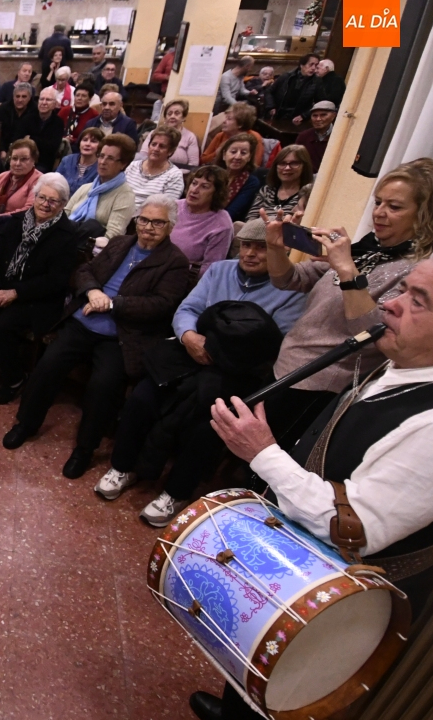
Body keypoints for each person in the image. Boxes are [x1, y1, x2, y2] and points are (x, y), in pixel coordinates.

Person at [150, 256, 433, 720]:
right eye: (405, 291)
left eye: (418, 301)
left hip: (336, 608)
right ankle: (236, 711)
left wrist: (262, 452)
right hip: (305, 575)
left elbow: (352, 528)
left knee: (284, 689)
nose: (390, 304)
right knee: (257, 658)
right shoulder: (406, 363)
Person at [94, 219, 307, 527]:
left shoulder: (291, 290)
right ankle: (123, 466)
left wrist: (219, 349)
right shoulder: (220, 270)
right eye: (246, 245)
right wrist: (188, 337)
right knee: (142, 397)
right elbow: (187, 309)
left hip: (236, 369)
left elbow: (273, 341)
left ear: (280, 251)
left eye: (261, 248)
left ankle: (175, 491)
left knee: (207, 425)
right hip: (191, 351)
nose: (250, 254)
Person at [257, 159, 433, 457]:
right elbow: (288, 279)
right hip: (289, 363)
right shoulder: (368, 249)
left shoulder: (416, 271)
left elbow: (373, 334)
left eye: (394, 207)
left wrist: (344, 267)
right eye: (378, 202)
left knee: (270, 462)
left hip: (322, 383)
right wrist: (276, 247)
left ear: (425, 213)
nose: (379, 213)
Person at [3, 194, 191, 481]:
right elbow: (84, 270)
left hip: (122, 336)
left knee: (103, 386)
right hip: (83, 322)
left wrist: (114, 303)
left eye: (157, 222)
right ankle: (26, 424)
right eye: (143, 219)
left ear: (170, 226)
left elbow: (162, 304)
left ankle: (84, 450)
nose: (148, 227)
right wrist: (93, 291)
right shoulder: (119, 244)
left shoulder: (174, 262)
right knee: (47, 366)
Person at [0, 174, 84, 403]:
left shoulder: (67, 235)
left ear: (62, 205)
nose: (45, 204)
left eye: (54, 201)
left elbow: (55, 280)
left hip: (37, 298)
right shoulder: (16, 221)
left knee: (4, 326)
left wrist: (16, 293)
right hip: (2, 289)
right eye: (42, 197)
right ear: (35, 196)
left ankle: (14, 379)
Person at [65, 132, 136, 239]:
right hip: (65, 240)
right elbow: (64, 216)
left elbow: (112, 235)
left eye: (110, 158)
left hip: (90, 250)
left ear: (123, 164)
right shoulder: (85, 188)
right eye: (101, 156)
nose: (102, 162)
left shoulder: (125, 195)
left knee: (93, 227)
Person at [174, 166, 235, 278]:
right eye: (194, 183)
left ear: (217, 193)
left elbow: (210, 269)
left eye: (204, 187)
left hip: (183, 278)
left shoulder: (222, 224)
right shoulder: (172, 206)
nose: (194, 190)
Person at [123, 125, 184, 213]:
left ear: (170, 151)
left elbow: (166, 209)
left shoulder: (174, 175)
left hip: (147, 219)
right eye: (153, 144)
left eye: (162, 146)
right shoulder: (132, 166)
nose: (156, 149)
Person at [246, 144, 313, 222]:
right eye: (282, 163)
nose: (287, 168)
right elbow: (250, 219)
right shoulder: (266, 190)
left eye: (294, 163)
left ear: (304, 167)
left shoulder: (306, 195)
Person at [0, 139, 44, 216]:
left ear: (34, 160)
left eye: (24, 159)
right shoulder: (1, 177)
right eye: (14, 158)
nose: (17, 163)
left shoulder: (40, 180)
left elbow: (29, 210)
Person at [137, 99, 199, 167]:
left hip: (181, 171)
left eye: (177, 113)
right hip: (153, 168)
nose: (172, 116)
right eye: (169, 114)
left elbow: (193, 164)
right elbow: (143, 155)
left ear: (183, 117)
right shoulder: (154, 133)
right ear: (165, 117)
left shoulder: (190, 137)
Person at [201, 101, 264, 168]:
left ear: (240, 124)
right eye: (226, 117)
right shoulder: (220, 135)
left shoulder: (255, 138)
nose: (224, 121)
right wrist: (216, 153)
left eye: (229, 119)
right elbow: (203, 160)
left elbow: (255, 165)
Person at [215, 133, 262, 223]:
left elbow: (231, 213)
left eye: (243, 153)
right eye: (233, 152)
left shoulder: (251, 182)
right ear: (224, 155)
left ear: (249, 157)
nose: (237, 157)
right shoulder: (212, 174)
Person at [268, 54, 322, 124]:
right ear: (302, 65)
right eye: (311, 65)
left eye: (316, 65)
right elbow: (269, 91)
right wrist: (271, 106)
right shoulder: (286, 76)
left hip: (298, 118)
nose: (313, 68)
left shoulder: (317, 82)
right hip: (278, 114)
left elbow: (319, 103)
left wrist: (304, 116)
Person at [0, 83, 39, 163]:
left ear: (29, 98)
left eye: (24, 97)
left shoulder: (36, 111)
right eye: (17, 96)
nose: (20, 100)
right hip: (4, 150)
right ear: (13, 96)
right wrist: (2, 150)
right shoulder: (3, 109)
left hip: (26, 152)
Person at [56, 127, 104, 196]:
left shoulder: (101, 166)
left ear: (100, 146)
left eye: (93, 141)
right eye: (85, 140)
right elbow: (55, 183)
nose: (87, 144)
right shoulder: (67, 160)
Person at [29, 86, 65, 171]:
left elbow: (52, 148)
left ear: (55, 104)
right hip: (24, 157)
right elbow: (19, 139)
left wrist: (32, 139)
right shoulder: (28, 118)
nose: (44, 103)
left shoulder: (58, 123)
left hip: (44, 163)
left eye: (48, 100)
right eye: (41, 99)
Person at [294, 100, 336, 172]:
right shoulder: (304, 136)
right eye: (314, 116)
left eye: (323, 115)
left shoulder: (339, 137)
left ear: (333, 116)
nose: (318, 119)